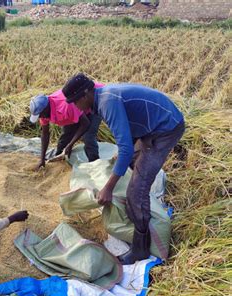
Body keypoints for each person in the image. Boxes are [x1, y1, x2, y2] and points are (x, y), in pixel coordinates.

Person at [62, 73, 185, 264]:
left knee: (136, 191)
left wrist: (108, 188)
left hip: (164, 129)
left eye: (75, 102)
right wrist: (125, 156)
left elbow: (126, 148)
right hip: (150, 127)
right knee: (126, 163)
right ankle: (132, 215)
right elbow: (129, 135)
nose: (75, 107)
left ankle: (140, 248)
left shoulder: (107, 102)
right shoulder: (101, 99)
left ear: (86, 93)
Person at [29, 86, 103, 170]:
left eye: (40, 115)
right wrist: (41, 159)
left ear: (46, 109)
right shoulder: (43, 113)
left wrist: (71, 144)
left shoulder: (66, 104)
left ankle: (95, 167)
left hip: (91, 105)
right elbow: (45, 134)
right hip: (75, 113)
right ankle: (60, 164)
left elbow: (85, 123)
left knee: (88, 137)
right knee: (63, 141)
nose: (40, 117)